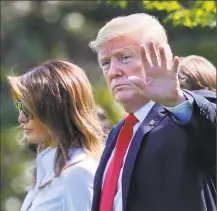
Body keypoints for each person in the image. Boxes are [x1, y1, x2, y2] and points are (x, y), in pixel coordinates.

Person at [89, 13, 216, 211]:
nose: (113, 71)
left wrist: (176, 102)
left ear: (160, 57)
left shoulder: (183, 114)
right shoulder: (118, 133)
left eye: (125, 57)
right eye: (106, 62)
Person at [8, 60, 105, 211]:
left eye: (27, 108)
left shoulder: (78, 173)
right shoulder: (46, 170)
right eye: (20, 107)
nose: (21, 118)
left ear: (54, 111)